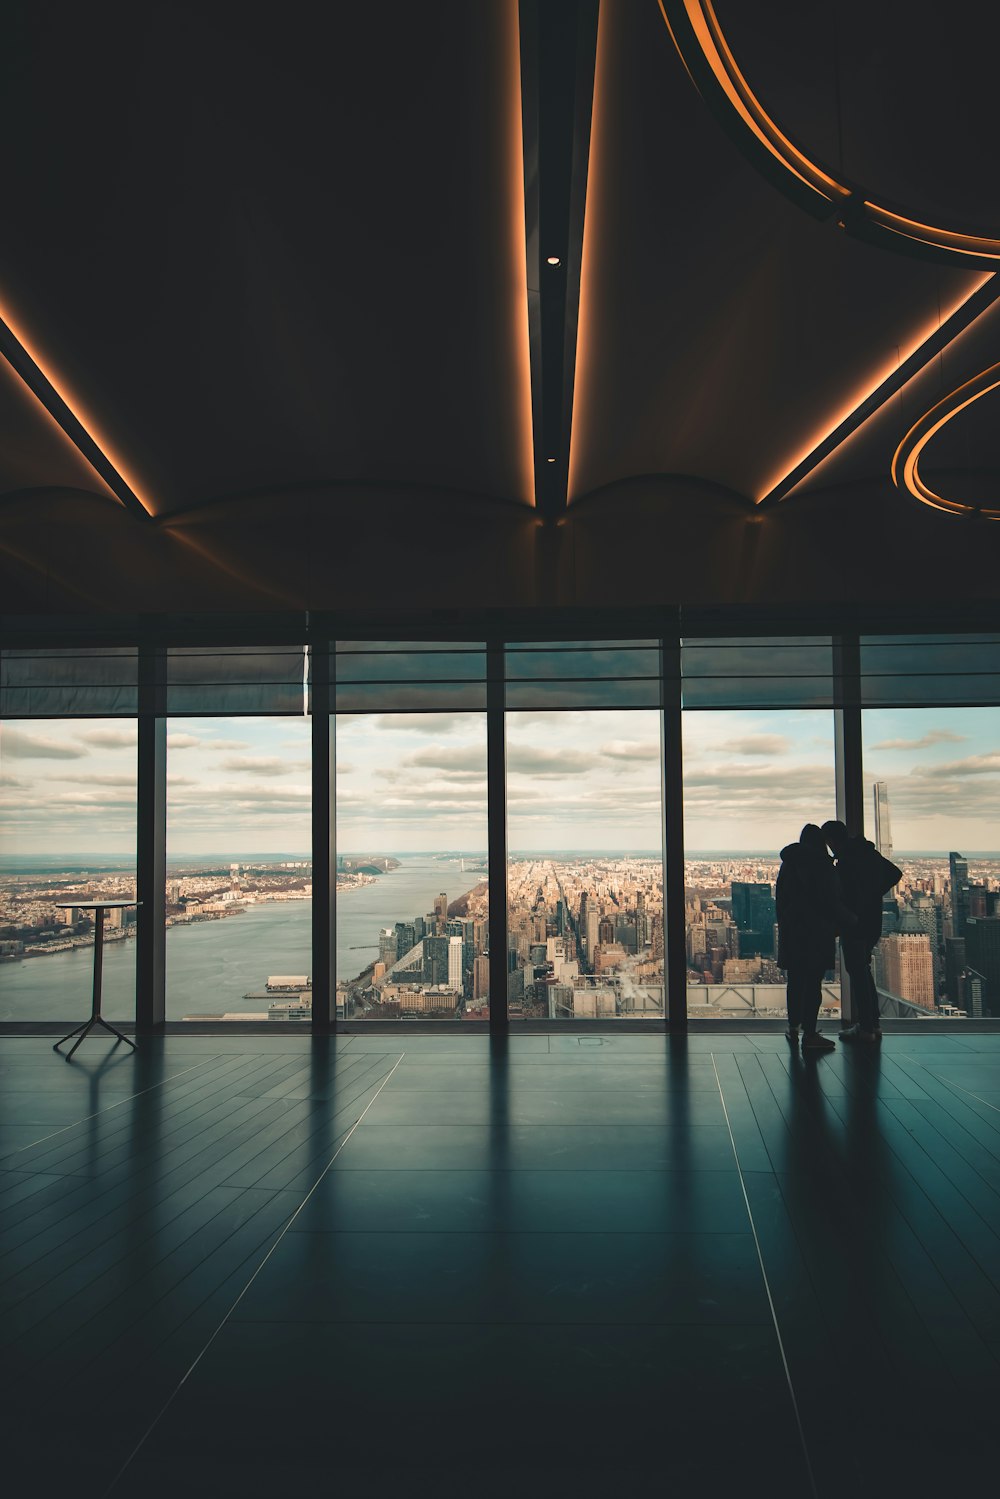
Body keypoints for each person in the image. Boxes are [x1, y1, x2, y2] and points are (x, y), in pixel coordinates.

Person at [821, 819, 902, 1042]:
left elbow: (845, 893)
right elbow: (894, 873)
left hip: (854, 923)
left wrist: (855, 907)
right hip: (872, 921)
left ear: (830, 840)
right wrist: (874, 893)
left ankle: (867, 1027)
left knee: (858, 973)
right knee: (863, 972)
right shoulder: (867, 854)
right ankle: (872, 1023)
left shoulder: (847, 860)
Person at [776, 824, 850, 1051]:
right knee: (812, 984)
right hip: (817, 933)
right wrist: (847, 920)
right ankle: (810, 1033)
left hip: (793, 932)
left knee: (795, 982)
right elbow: (831, 900)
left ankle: (793, 1027)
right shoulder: (823, 867)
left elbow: (780, 898)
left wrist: (786, 924)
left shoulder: (788, 865)